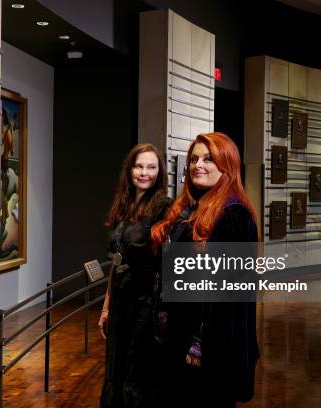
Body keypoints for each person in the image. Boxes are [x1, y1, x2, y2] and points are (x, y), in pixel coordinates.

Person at [151, 132, 260, 408]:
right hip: (178, 335)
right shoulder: (190, 208)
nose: (197, 165)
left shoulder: (234, 215)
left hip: (208, 348)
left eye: (209, 159)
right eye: (194, 159)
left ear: (227, 165)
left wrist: (200, 342)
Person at [99, 144, 171, 408]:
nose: (144, 173)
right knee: (115, 370)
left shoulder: (163, 207)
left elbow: (168, 263)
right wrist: (106, 307)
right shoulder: (124, 204)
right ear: (129, 169)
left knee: (136, 374)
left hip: (144, 304)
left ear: (159, 172)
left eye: (151, 167)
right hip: (121, 303)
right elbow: (115, 263)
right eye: (139, 166)